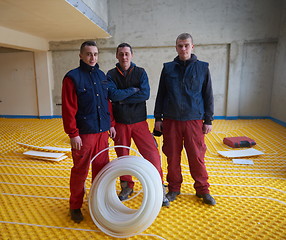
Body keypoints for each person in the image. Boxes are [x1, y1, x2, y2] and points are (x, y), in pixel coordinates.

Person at [154, 33, 216, 205]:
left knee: (196, 156)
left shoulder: (203, 68)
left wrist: (208, 120)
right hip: (171, 120)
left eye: (186, 45)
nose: (183, 49)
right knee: (172, 156)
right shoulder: (167, 68)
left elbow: (208, 95)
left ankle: (203, 189)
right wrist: (158, 118)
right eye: (180, 45)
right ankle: (174, 188)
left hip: (194, 120)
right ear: (176, 47)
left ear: (192, 47)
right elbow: (161, 95)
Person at [107, 43, 169, 207]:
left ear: (132, 55)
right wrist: (133, 91)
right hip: (120, 124)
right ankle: (127, 186)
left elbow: (145, 94)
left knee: (152, 155)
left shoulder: (140, 72)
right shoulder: (111, 74)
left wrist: (121, 97)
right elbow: (112, 94)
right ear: (117, 56)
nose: (124, 57)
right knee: (123, 157)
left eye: (127, 54)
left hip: (140, 123)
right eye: (121, 54)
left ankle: (158, 186)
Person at [62, 41, 116, 223]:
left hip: (102, 132)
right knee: (80, 171)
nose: (92, 57)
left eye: (95, 54)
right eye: (88, 54)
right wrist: (73, 133)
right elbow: (69, 109)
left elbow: (108, 104)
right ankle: (75, 206)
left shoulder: (102, 76)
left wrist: (112, 124)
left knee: (101, 170)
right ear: (81, 56)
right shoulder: (72, 78)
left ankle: (97, 202)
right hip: (84, 134)